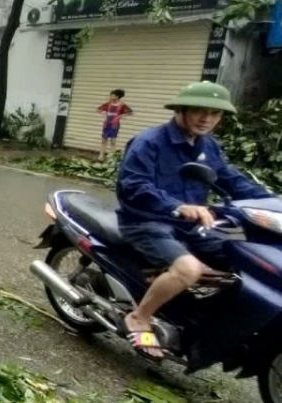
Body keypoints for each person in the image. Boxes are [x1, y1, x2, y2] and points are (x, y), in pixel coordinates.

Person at [116, 81, 270, 358]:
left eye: (214, 114)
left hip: (192, 225)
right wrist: (178, 206)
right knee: (189, 270)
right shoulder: (149, 142)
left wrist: (271, 202)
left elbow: (233, 182)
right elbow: (134, 185)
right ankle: (139, 317)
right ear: (181, 110)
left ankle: (202, 320)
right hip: (146, 221)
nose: (206, 119)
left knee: (247, 259)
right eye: (200, 111)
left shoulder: (209, 146)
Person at [98, 89, 133, 160]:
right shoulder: (108, 104)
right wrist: (103, 113)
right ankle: (101, 156)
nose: (110, 97)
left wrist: (121, 116)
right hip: (106, 124)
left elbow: (130, 112)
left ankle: (113, 158)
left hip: (115, 125)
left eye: (112, 95)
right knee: (104, 140)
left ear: (117, 97)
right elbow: (99, 109)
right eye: (110, 95)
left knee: (113, 141)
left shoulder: (122, 105)